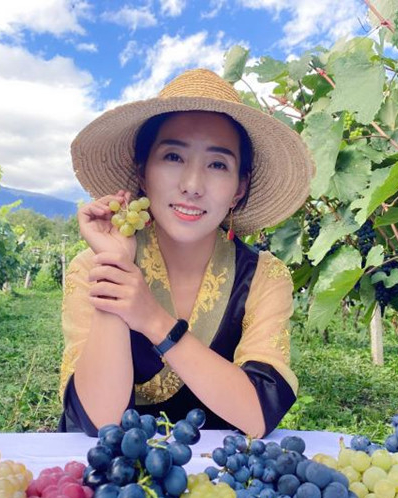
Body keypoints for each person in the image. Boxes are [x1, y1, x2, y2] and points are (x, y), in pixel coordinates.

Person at [58, 68, 314, 438]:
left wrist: (154, 320)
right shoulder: (93, 268)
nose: (192, 185)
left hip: (217, 473)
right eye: (173, 157)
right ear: (143, 173)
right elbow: (100, 422)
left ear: (239, 189)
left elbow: (258, 414)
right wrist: (116, 265)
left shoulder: (263, 276)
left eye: (217, 164)